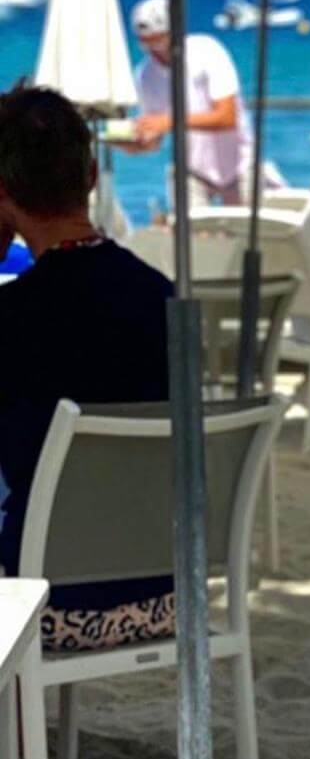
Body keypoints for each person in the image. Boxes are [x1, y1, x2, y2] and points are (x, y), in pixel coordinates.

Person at [0, 85, 174, 651]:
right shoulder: (164, 298)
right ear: (92, 176)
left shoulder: (15, 316)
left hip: (47, 599)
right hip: (166, 591)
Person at [127, 0, 254, 208]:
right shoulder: (145, 75)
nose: (154, 50)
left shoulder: (207, 51)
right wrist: (134, 142)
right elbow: (155, 138)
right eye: (146, 43)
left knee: (244, 228)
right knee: (189, 228)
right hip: (191, 169)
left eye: (158, 40)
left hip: (240, 164)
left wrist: (169, 121)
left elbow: (227, 117)